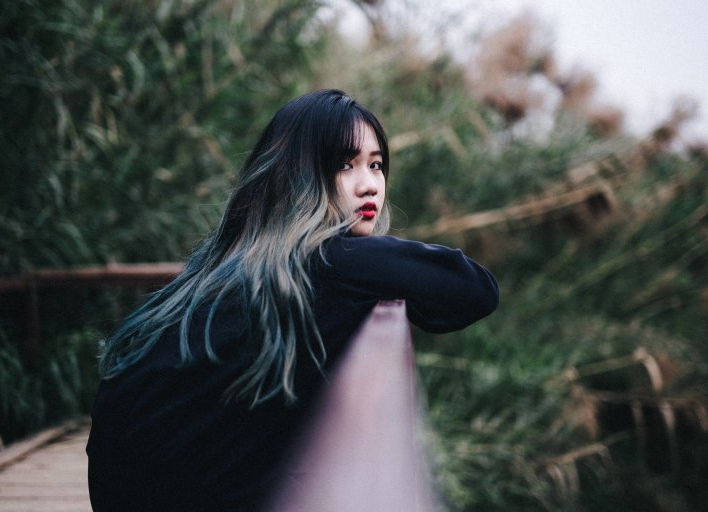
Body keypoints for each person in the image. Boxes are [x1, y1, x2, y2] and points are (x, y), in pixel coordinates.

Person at [86, 89, 499, 511]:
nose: (369, 183)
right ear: (299, 174)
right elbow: (474, 289)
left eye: (376, 165)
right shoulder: (331, 260)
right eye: (344, 164)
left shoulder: (232, 259)